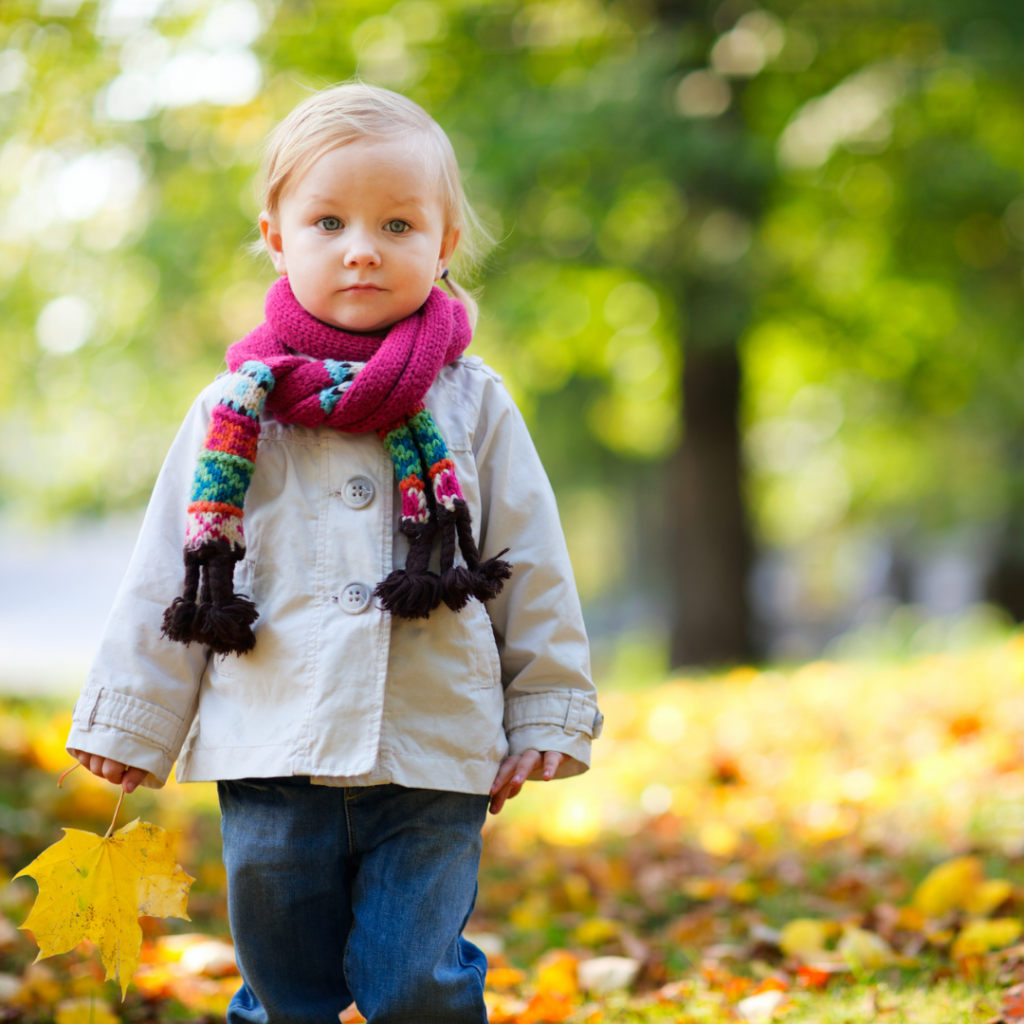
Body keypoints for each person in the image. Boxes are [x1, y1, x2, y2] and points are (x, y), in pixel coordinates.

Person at [64, 82, 602, 1024]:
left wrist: (548, 708)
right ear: (277, 237)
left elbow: (530, 558)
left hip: (433, 745)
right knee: (285, 986)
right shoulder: (234, 410)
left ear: (442, 245)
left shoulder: (471, 403)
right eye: (329, 221)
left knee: (415, 980)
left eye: (398, 224)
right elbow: (171, 570)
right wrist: (131, 720)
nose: (363, 246)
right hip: (272, 741)